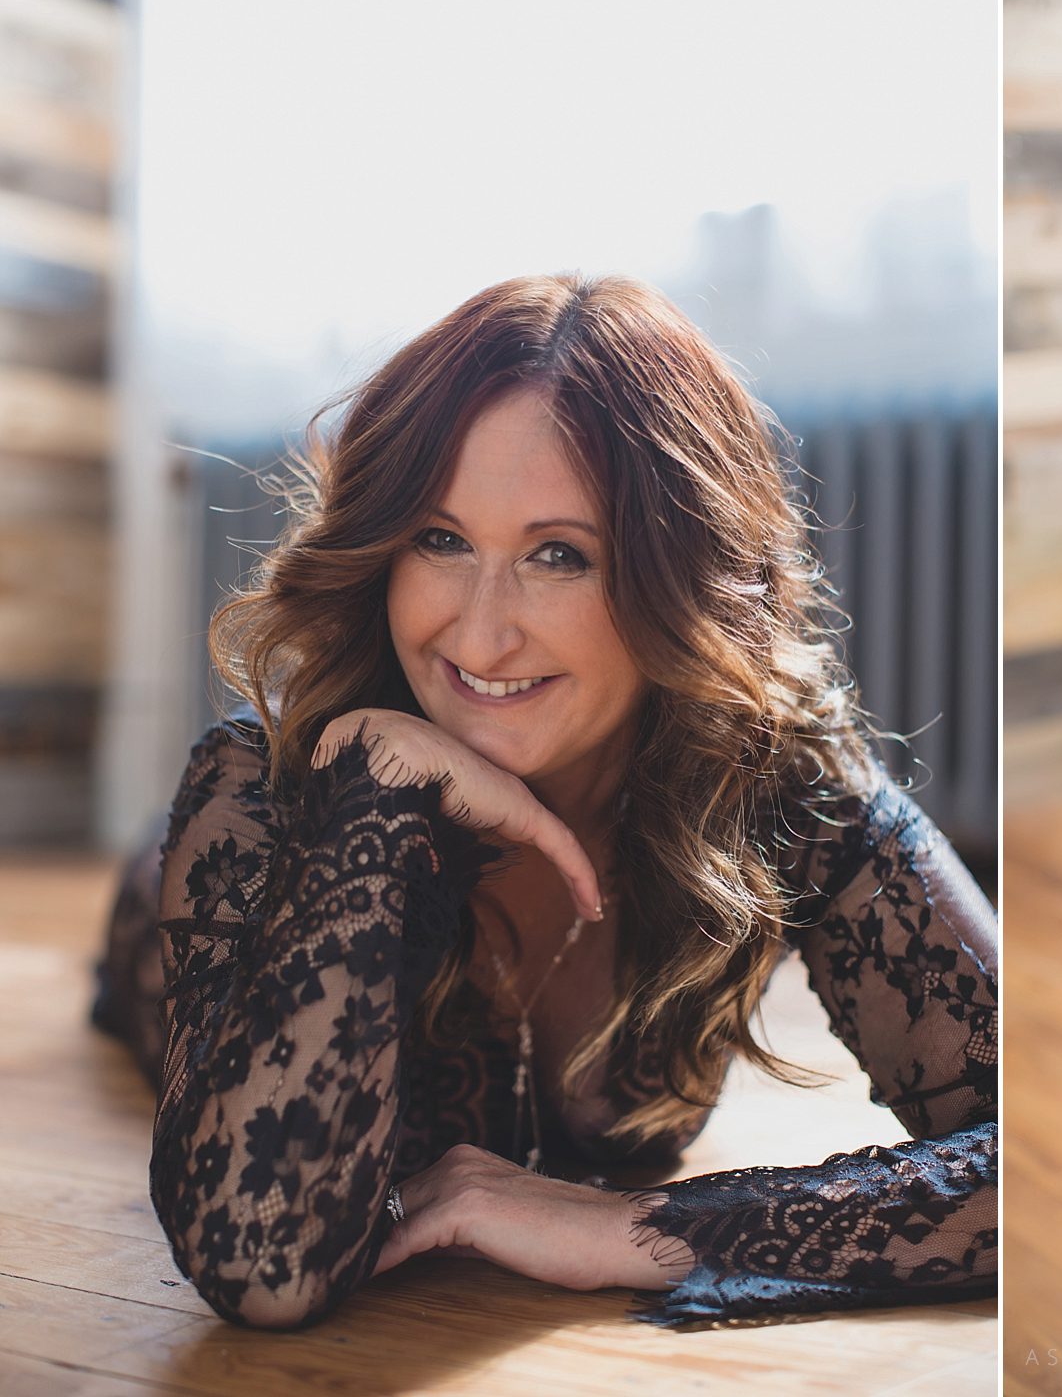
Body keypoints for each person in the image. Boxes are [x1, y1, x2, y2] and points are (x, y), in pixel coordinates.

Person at [89, 273, 997, 1332]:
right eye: (439, 539)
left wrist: (640, 1229)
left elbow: (1035, 1155)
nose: (478, 637)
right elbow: (261, 1258)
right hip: (183, 917)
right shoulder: (265, 791)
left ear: (677, 575)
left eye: (557, 555)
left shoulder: (781, 782)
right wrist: (375, 793)